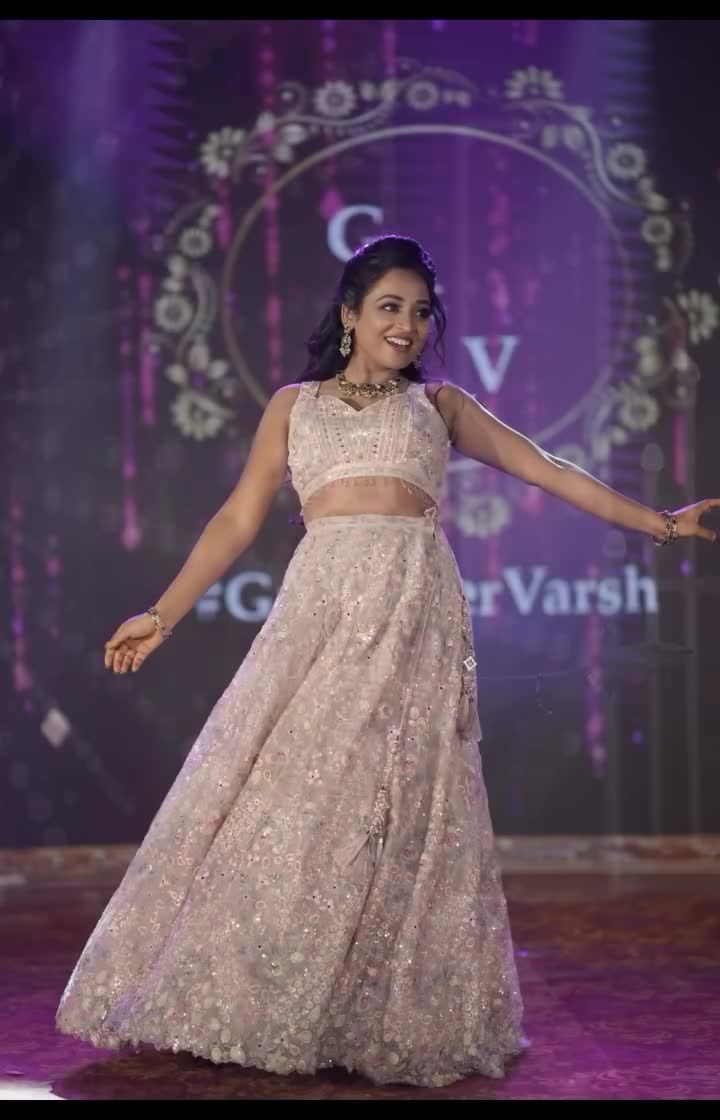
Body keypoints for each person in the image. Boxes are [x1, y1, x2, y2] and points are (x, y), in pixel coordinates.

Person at [56, 234, 719, 1088]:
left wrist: (660, 524)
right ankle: (260, 994)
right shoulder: (295, 406)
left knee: (400, 803)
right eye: (388, 308)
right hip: (322, 616)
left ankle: (371, 1010)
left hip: (413, 615)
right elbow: (235, 519)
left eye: (420, 311)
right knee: (296, 795)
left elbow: (547, 468)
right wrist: (161, 614)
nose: (406, 325)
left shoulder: (438, 405)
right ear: (350, 315)